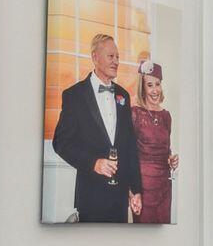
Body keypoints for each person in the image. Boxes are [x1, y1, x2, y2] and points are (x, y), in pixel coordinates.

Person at [50, 32, 141, 223]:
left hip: (119, 199)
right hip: (90, 196)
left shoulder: (123, 95)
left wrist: (136, 189)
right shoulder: (74, 95)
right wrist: (94, 163)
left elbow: (130, 146)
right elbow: (61, 143)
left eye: (118, 57)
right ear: (95, 57)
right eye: (111, 56)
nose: (116, 61)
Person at [129, 59, 177, 225]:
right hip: (143, 188)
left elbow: (165, 149)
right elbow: (129, 154)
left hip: (164, 187)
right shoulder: (134, 113)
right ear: (142, 88)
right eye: (150, 85)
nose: (155, 90)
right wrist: (132, 192)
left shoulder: (166, 116)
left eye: (157, 84)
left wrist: (171, 159)